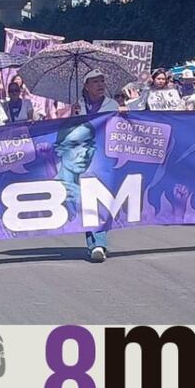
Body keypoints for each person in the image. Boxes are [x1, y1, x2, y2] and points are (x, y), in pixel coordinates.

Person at [71, 70, 119, 262]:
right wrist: (72, 116)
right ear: (86, 86)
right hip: (84, 159)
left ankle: (98, 242)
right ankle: (96, 244)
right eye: (95, 81)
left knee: (103, 200)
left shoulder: (112, 105)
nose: (100, 84)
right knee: (88, 200)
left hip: (107, 159)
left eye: (102, 80)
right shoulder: (78, 106)